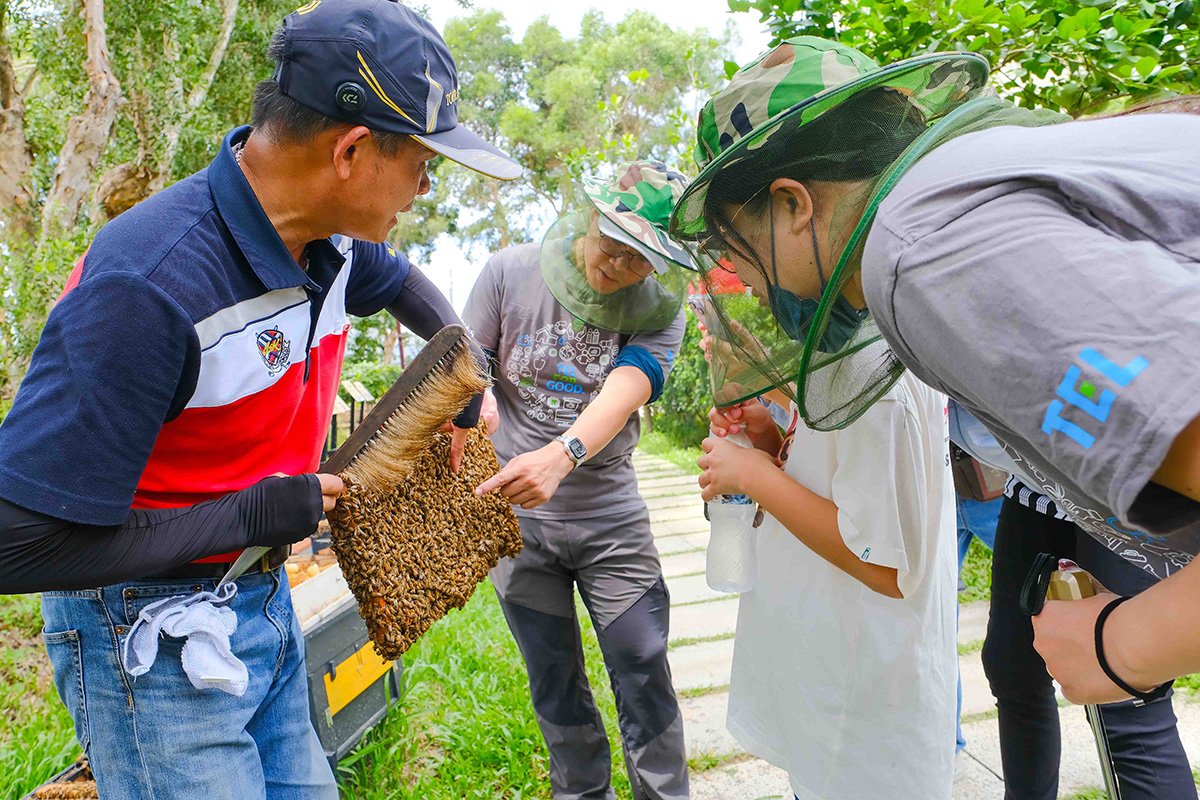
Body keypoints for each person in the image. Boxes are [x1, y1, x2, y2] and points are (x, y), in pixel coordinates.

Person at [0, 2, 519, 797]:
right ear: (350, 150)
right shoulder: (150, 285)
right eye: (423, 164)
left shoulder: (332, 242)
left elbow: (403, 282)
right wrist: (245, 516)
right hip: (147, 626)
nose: (421, 189)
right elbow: (17, 545)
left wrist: (461, 374)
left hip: (262, 600)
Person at [668, 35, 1200, 704]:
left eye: (733, 243)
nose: (742, 278)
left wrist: (1123, 643)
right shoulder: (960, 194)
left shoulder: (925, 254)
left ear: (793, 204)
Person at [468, 161, 694, 800]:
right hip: (517, 527)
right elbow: (468, 362)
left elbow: (627, 388)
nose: (621, 265)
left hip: (610, 518)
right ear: (592, 214)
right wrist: (472, 400)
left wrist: (561, 455)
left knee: (643, 664)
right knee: (554, 679)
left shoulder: (660, 311)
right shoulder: (507, 272)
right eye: (616, 243)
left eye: (642, 259)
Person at [698, 316, 958, 798]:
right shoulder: (853, 344)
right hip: (834, 678)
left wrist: (754, 476)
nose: (751, 283)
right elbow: (834, 477)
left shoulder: (872, 374)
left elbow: (882, 563)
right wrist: (766, 439)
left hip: (864, 720)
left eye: (744, 249)